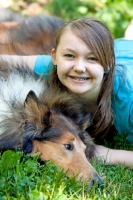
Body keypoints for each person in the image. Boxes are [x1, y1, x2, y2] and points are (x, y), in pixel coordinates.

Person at [1, 17, 133, 167]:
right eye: (69, 55)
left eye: (92, 58)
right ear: (54, 57)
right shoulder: (54, 67)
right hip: (119, 51)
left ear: (109, 63)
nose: (79, 67)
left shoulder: (129, 100)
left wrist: (112, 155)